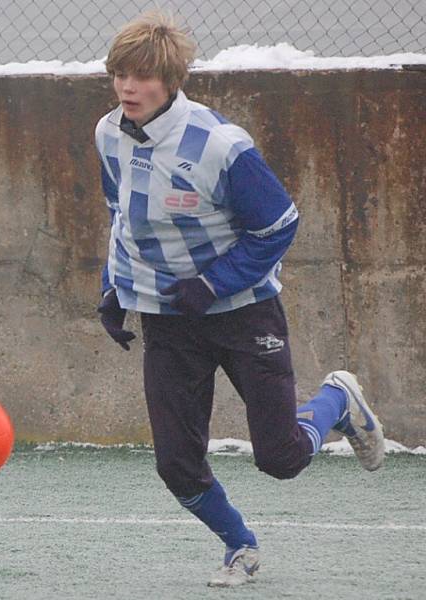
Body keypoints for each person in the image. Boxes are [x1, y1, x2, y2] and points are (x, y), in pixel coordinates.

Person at [94, 11, 385, 587]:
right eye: (120, 75)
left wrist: (212, 284)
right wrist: (113, 287)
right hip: (168, 321)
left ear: (171, 80)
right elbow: (121, 215)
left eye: (142, 76)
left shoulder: (220, 146)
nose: (129, 87)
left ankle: (337, 400)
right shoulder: (107, 133)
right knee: (176, 464)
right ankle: (240, 547)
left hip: (244, 313)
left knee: (280, 458)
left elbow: (279, 225)